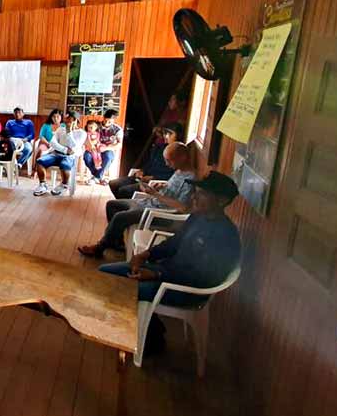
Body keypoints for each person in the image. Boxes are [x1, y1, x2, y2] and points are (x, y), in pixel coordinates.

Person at [97, 171, 241, 352]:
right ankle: (152, 329)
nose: (194, 197)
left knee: (125, 287)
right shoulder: (197, 217)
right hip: (166, 273)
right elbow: (173, 244)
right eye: (195, 191)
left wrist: (157, 274)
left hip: (186, 289)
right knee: (104, 273)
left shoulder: (225, 235)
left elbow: (204, 276)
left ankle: (149, 340)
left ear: (221, 201)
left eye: (202, 194)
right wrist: (146, 255)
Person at [77, 142, 197, 259]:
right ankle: (116, 242)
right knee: (112, 205)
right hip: (152, 203)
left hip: (161, 213)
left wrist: (156, 194)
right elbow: (172, 190)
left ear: (183, 157)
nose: (166, 164)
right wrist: (161, 187)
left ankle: (100, 248)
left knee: (120, 217)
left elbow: (183, 207)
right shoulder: (179, 171)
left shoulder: (191, 178)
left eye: (169, 160)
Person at [110, 122, 181, 199]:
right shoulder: (160, 148)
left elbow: (173, 174)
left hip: (154, 182)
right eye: (165, 133)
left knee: (124, 191)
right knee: (113, 184)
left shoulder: (179, 153)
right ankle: (121, 204)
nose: (166, 136)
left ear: (178, 135)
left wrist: (153, 177)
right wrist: (142, 171)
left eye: (170, 134)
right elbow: (150, 162)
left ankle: (124, 206)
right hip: (143, 177)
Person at [33, 113, 86, 196]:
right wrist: (65, 150)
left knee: (64, 164)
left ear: (76, 121)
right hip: (56, 153)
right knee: (40, 161)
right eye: (67, 119)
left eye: (70, 119)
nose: (67, 121)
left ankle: (64, 185)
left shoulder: (81, 133)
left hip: (70, 156)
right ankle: (43, 185)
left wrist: (69, 132)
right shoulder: (60, 129)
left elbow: (74, 146)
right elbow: (53, 142)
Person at [85, 109, 122, 185]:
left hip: (107, 149)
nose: (107, 123)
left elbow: (119, 144)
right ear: (103, 117)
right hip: (94, 148)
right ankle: (99, 177)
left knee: (108, 157)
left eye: (110, 122)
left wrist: (106, 148)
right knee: (87, 157)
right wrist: (91, 145)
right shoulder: (96, 125)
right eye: (105, 120)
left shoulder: (117, 129)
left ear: (114, 121)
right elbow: (86, 136)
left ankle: (96, 177)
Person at [82, 119, 104, 184]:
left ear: (96, 127)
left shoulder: (98, 133)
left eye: (92, 127)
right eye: (89, 127)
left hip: (97, 148)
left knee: (98, 155)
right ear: (87, 127)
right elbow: (88, 141)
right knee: (90, 156)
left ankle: (96, 175)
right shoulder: (87, 134)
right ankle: (98, 174)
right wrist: (91, 144)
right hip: (89, 148)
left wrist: (96, 144)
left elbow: (97, 140)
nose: (91, 128)